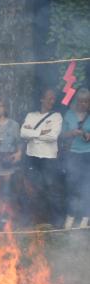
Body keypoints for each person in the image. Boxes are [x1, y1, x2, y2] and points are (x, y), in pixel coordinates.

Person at [20, 88, 63, 226]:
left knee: (51, 191)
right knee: (30, 190)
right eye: (49, 98)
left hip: (49, 159)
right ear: (41, 99)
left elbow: (52, 136)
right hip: (32, 157)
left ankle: (56, 223)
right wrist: (41, 132)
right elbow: (22, 133)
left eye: (53, 99)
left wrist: (32, 132)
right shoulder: (31, 115)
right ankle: (29, 222)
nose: (52, 101)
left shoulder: (57, 116)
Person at [60, 88, 90, 228]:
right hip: (72, 154)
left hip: (88, 155)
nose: (82, 104)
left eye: (85, 101)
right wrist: (71, 133)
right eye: (80, 101)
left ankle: (84, 219)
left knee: (86, 187)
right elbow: (61, 135)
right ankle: (70, 217)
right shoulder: (69, 115)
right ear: (76, 101)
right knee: (72, 187)